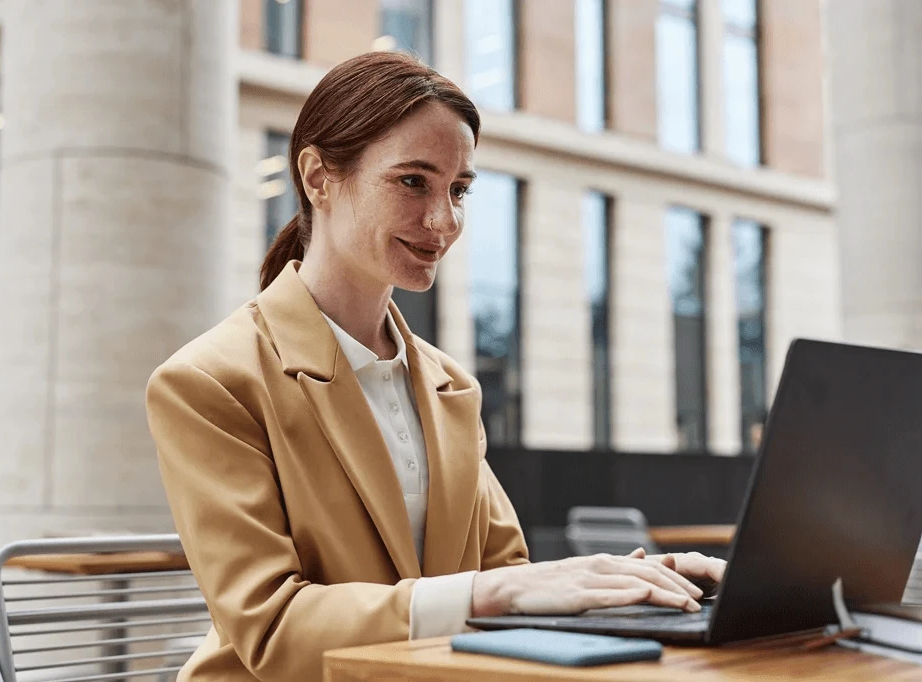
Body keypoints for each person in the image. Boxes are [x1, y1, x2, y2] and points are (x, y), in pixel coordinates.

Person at [146, 51, 725, 682]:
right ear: (317, 176)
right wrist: (493, 595)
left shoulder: (450, 386)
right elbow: (275, 630)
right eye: (413, 182)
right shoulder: (208, 383)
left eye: (459, 189)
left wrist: (621, 582)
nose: (443, 221)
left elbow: (510, 578)